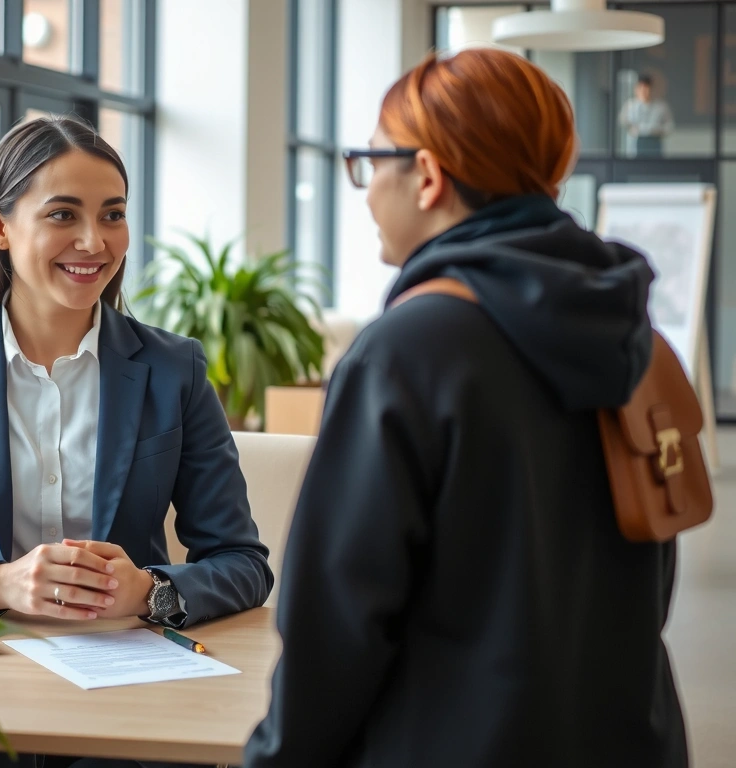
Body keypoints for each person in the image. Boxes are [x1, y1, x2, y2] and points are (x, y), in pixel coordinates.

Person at [244, 49, 688, 768]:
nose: (363, 192)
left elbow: (338, 626)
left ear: (425, 175)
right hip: (629, 735)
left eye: (369, 163)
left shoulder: (408, 349)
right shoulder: (626, 327)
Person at [0, 116, 272, 768]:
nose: (93, 241)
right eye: (63, 214)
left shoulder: (173, 370)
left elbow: (242, 562)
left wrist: (149, 592)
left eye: (112, 215)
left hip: (131, 707)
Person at [619, 73, 674, 157]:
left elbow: (669, 126)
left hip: (654, 142)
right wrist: (634, 129)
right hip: (635, 143)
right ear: (636, 89)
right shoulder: (630, 106)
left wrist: (655, 130)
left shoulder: (661, 106)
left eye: (646, 88)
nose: (643, 91)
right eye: (641, 88)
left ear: (651, 89)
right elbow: (623, 121)